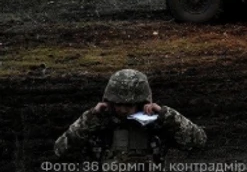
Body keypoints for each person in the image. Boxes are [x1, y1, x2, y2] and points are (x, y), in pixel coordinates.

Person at [54, 69, 207, 164]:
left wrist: (166, 115)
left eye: (129, 105)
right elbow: (61, 149)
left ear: (142, 102)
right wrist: (89, 118)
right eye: (118, 103)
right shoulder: (98, 122)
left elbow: (198, 140)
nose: (122, 110)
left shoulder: (156, 123)